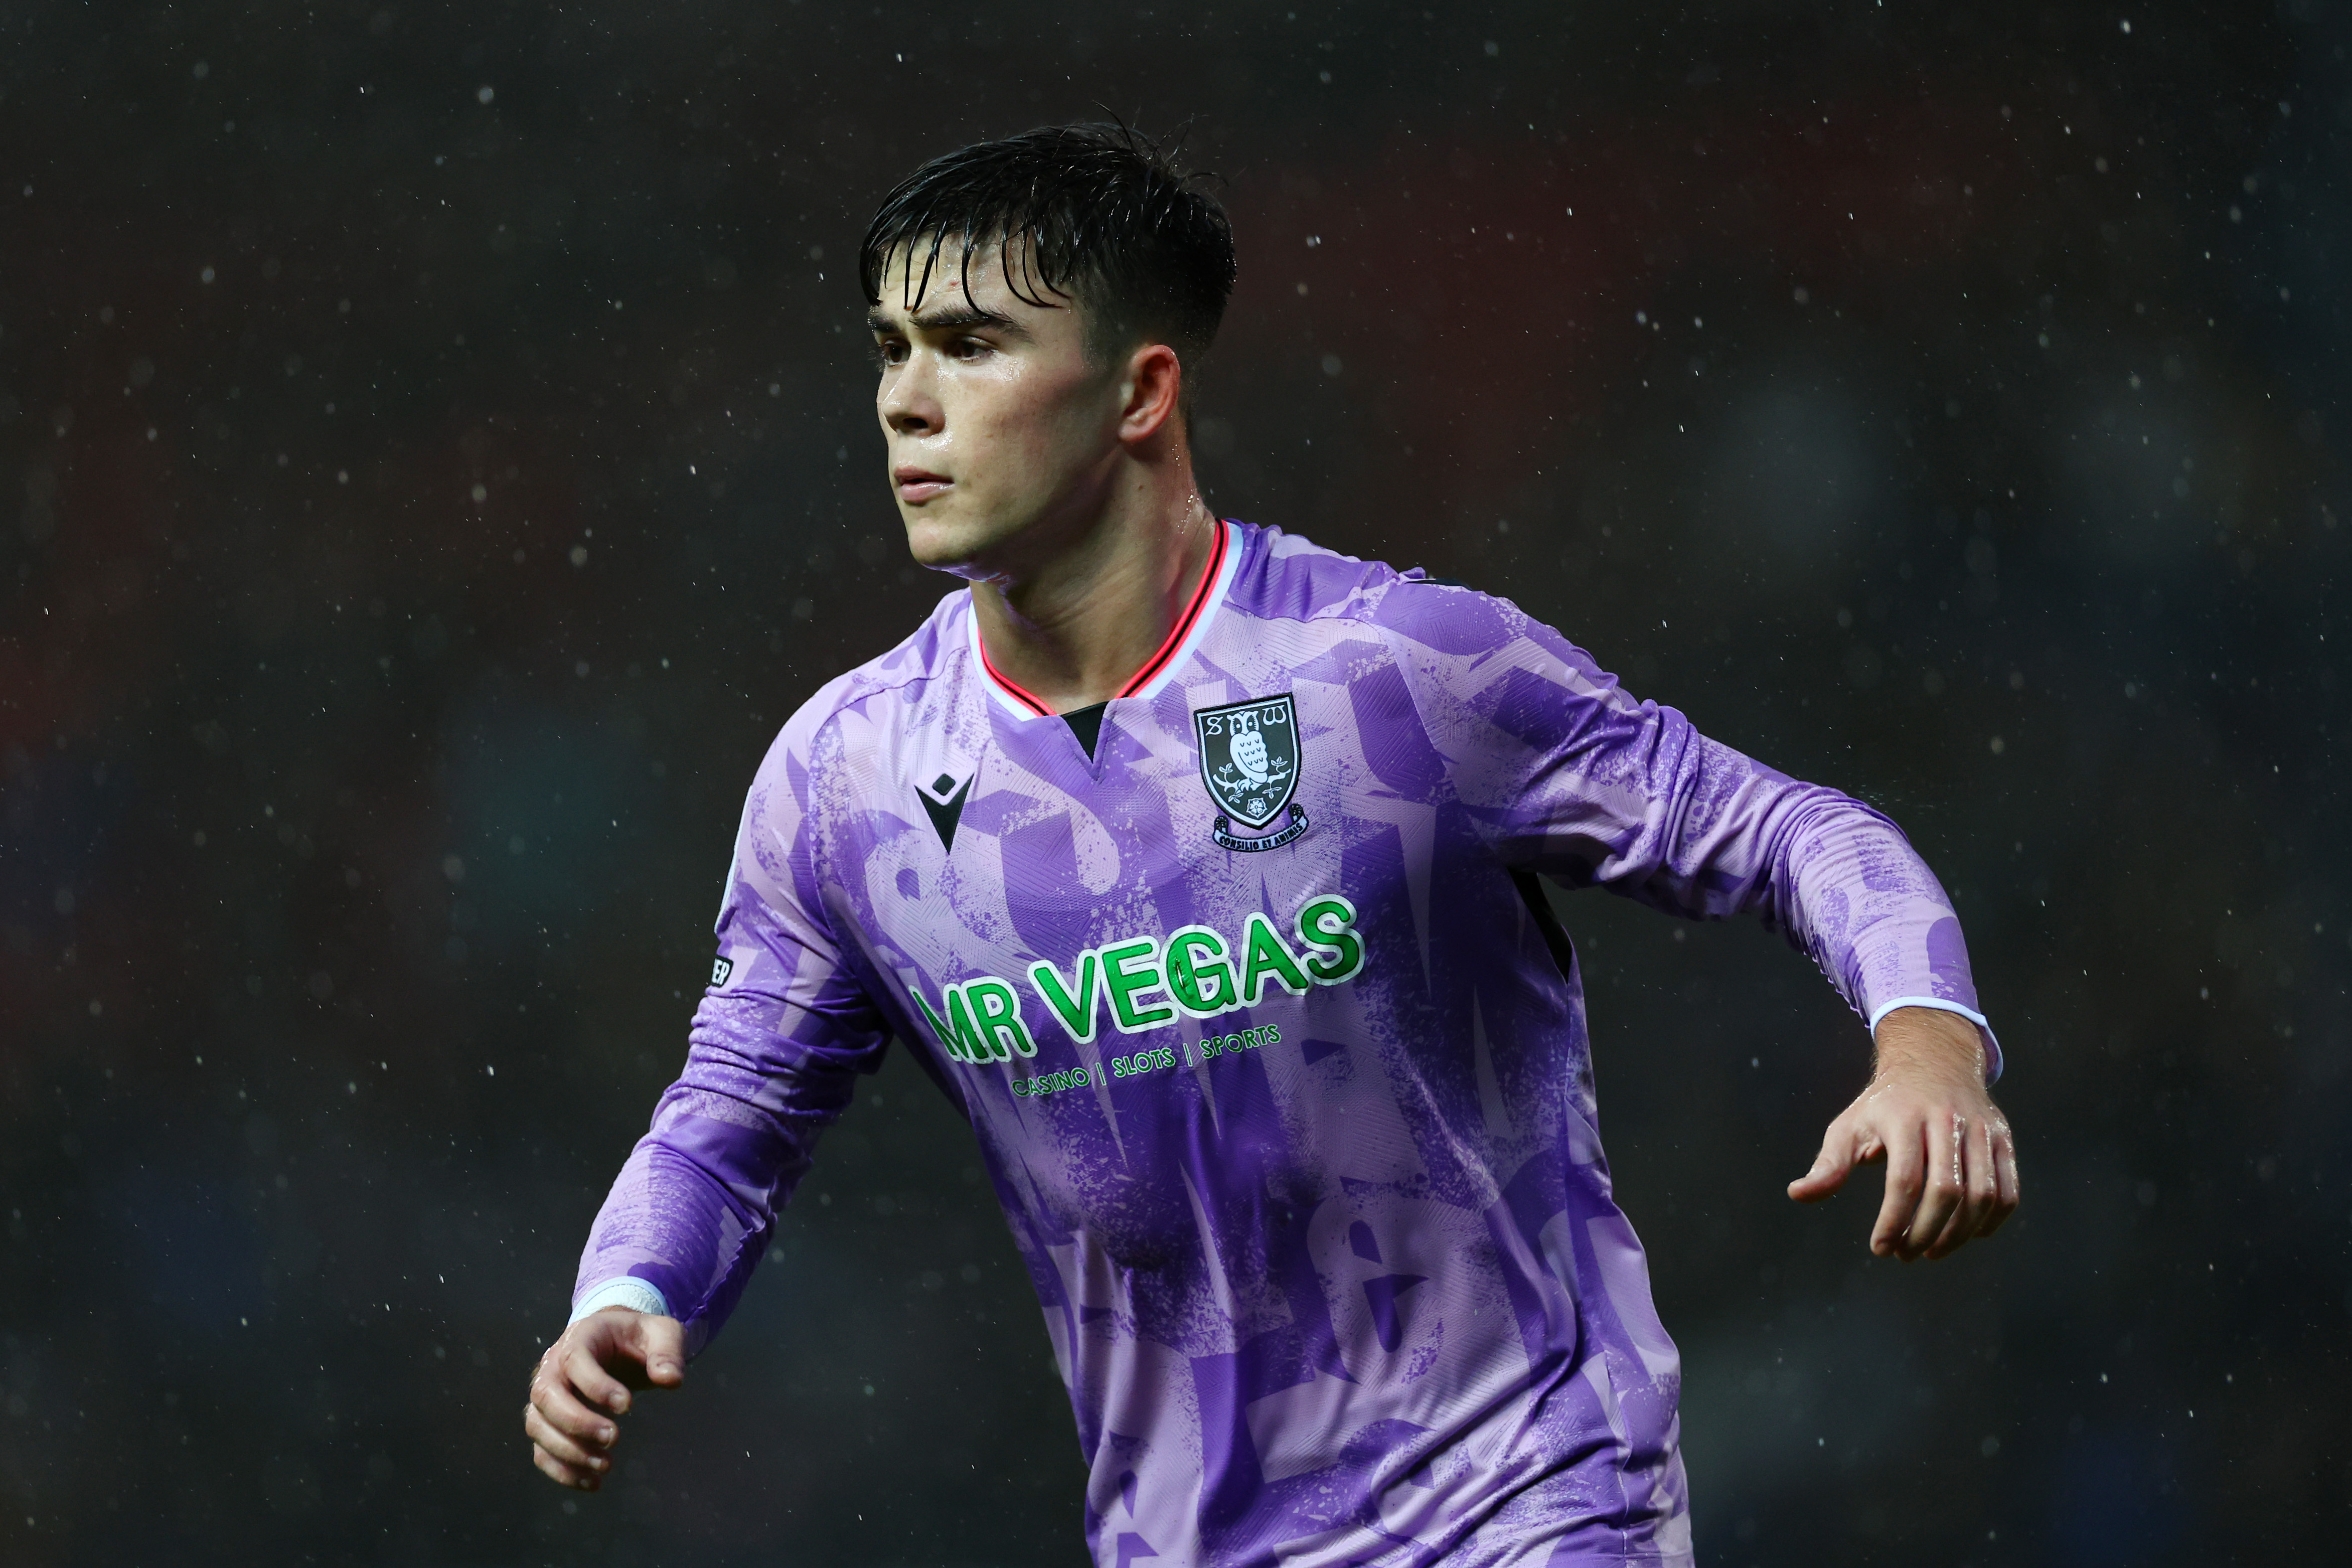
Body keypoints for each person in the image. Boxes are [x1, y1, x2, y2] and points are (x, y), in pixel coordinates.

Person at [524, 123, 2018, 1565]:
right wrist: (627, 1288)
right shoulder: (844, 779)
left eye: (970, 345)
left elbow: (1781, 828)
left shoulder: (1393, 673)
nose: (906, 402)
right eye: (889, 349)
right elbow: (732, 1107)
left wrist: (1929, 1044)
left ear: (1137, 392)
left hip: (1528, 1505)